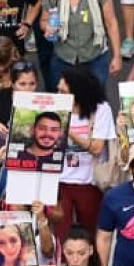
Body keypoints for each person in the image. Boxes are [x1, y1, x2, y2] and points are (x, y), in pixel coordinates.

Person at [39, 0, 122, 87]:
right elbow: (43, 20)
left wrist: (117, 56)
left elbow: (111, 22)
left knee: (94, 102)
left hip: (95, 57)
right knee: (63, 103)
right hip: (63, 58)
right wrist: (47, 27)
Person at [54, 67, 114, 240]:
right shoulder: (55, 107)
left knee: (90, 235)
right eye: (58, 90)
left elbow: (96, 148)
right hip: (60, 182)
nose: (59, 95)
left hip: (90, 182)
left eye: (64, 92)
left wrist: (68, 131)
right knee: (61, 236)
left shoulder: (101, 110)